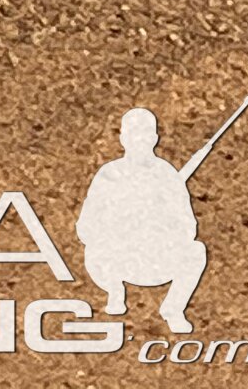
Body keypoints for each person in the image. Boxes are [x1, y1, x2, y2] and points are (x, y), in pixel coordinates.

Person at [79, 107, 215, 333]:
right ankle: (115, 291)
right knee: (95, 248)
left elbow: (188, 226)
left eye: (145, 133)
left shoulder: (167, 175)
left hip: (156, 258)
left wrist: (160, 228)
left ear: (154, 138)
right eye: (133, 133)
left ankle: (173, 309)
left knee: (196, 251)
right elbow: (86, 226)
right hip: (117, 259)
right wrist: (119, 227)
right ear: (123, 137)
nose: (139, 139)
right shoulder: (109, 175)